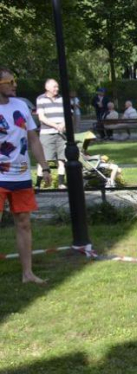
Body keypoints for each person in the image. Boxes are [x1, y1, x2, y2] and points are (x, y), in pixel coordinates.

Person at [0, 66, 50, 283]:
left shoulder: (20, 106)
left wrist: (45, 167)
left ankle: (27, 273)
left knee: (24, 223)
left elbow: (33, 139)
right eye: (9, 82)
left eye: (14, 81)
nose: (14, 85)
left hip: (21, 176)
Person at [36, 78, 67, 189]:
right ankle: (38, 184)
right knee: (43, 159)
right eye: (54, 87)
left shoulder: (62, 99)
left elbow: (68, 114)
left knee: (62, 159)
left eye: (57, 87)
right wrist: (55, 125)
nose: (57, 89)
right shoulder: (41, 99)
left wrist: (63, 124)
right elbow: (41, 117)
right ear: (47, 87)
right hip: (47, 134)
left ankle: (60, 183)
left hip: (61, 134)